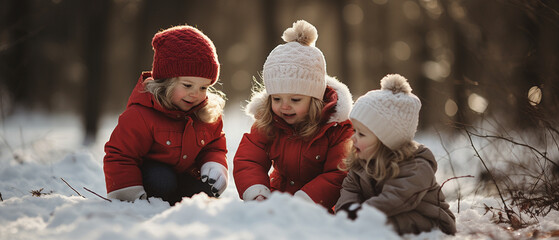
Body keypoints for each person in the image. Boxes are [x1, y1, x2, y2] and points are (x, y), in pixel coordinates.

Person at [233, 20, 353, 210]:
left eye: (295, 100)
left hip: (321, 207)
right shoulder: (269, 121)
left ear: (316, 99)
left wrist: (304, 202)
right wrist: (256, 192)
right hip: (278, 198)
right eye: (277, 99)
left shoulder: (337, 128)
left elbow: (338, 173)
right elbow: (250, 159)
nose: (284, 107)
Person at [103, 24, 228, 205]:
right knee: (162, 180)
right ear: (166, 82)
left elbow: (214, 146)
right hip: (152, 177)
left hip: (185, 173)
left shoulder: (204, 113)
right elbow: (120, 154)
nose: (195, 94)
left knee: (207, 190)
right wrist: (129, 193)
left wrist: (215, 164)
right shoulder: (141, 114)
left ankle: (184, 204)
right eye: (187, 85)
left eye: (203, 87)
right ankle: (158, 201)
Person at [335, 74, 456, 235]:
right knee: (370, 226)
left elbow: (395, 199)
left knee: (383, 226)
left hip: (431, 220)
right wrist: (347, 211)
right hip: (378, 216)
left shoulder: (416, 166)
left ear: (386, 141)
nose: (353, 138)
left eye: (361, 134)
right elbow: (349, 192)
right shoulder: (360, 163)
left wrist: (360, 214)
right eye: (354, 131)